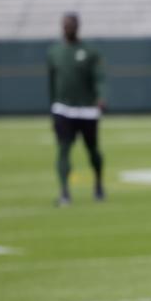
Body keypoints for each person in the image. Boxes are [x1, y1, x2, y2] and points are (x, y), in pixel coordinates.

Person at [47, 12, 106, 205]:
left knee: (92, 150)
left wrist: (100, 97)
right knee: (63, 149)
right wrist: (52, 107)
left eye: (71, 25)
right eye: (65, 25)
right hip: (63, 108)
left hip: (87, 109)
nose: (68, 28)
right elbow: (52, 82)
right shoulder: (54, 52)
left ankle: (98, 183)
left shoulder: (89, 52)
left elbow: (99, 78)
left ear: (77, 27)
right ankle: (64, 192)